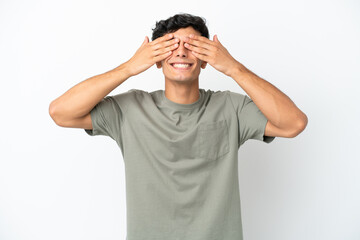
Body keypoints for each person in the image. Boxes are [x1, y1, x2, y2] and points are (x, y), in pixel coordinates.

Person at [49, 13, 307, 240]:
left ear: (206, 58)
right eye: (171, 46)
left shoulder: (231, 107)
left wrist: (233, 68)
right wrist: (129, 68)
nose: (181, 52)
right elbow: (61, 113)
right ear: (157, 59)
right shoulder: (129, 109)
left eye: (192, 46)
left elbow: (294, 123)